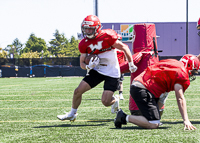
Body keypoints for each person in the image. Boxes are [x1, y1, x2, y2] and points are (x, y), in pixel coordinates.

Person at [57, 15, 137, 121]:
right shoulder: (83, 43)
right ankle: (72, 113)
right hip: (97, 70)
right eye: (86, 29)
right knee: (77, 91)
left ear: (97, 28)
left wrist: (131, 64)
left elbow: (124, 47)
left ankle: (115, 100)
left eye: (90, 29)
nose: (88, 31)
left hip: (112, 71)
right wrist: (88, 66)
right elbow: (82, 63)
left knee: (106, 102)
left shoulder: (108, 36)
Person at [114, 54, 199, 130]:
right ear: (188, 65)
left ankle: (145, 118)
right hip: (143, 89)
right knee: (153, 124)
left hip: (141, 85)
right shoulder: (181, 74)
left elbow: (163, 95)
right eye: (193, 71)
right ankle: (123, 117)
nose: (192, 74)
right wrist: (186, 120)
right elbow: (180, 98)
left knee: (155, 117)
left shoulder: (173, 63)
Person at [116, 34, 126, 100]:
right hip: (113, 66)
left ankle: (120, 94)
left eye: (119, 40)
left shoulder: (123, 48)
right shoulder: (112, 48)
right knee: (111, 81)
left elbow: (125, 57)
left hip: (121, 66)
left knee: (120, 81)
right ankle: (112, 94)